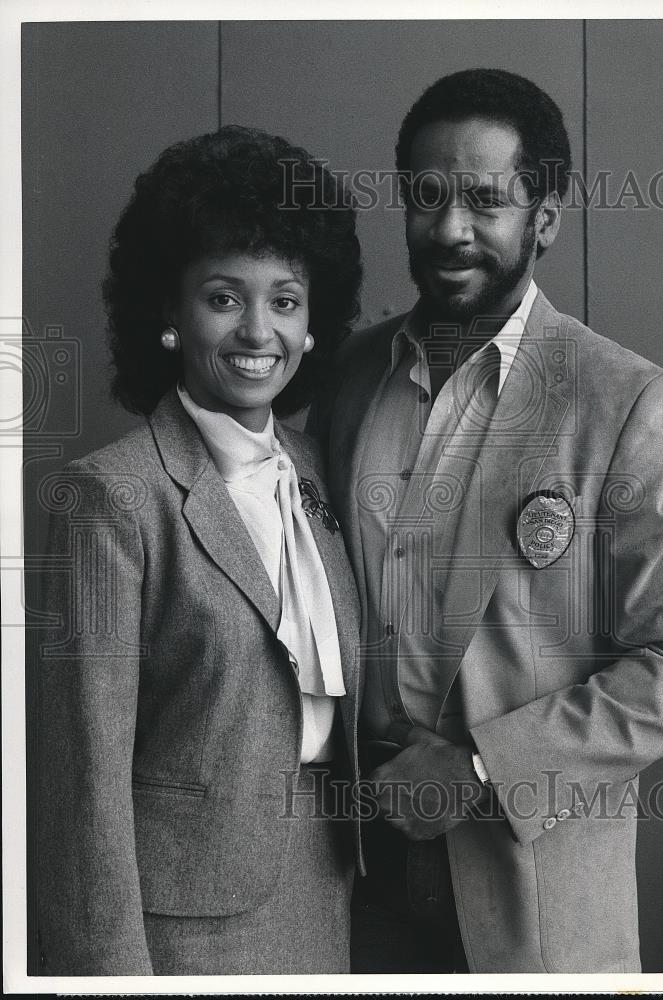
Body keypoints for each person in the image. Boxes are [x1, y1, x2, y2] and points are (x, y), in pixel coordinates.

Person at [319, 69, 663, 973]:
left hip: (533, 902)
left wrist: (479, 767)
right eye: (426, 197)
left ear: (543, 218)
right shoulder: (348, 376)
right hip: (350, 884)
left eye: (484, 201)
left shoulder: (624, 401)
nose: (449, 229)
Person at [34, 126, 363, 975]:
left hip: (330, 887)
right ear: (170, 315)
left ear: (313, 323)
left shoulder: (325, 473)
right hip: (180, 924)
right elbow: (82, 778)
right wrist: (108, 977)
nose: (258, 330)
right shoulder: (111, 497)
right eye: (223, 298)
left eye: (285, 301)